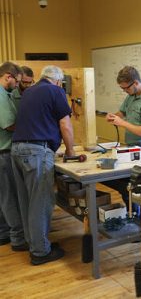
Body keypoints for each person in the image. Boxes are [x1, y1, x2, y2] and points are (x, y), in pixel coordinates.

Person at [11, 65, 75, 265]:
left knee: (27, 201)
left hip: (17, 149)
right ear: (57, 81)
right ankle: (40, 251)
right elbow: (65, 124)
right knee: (41, 202)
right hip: (36, 151)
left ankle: (35, 243)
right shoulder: (56, 91)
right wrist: (71, 152)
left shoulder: (28, 92)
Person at [104, 66, 141, 216]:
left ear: (135, 83)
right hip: (131, 147)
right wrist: (114, 116)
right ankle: (134, 218)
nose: (124, 91)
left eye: (125, 88)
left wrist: (122, 123)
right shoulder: (131, 96)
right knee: (127, 188)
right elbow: (122, 112)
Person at [0, 61, 27, 251]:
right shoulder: (1, 96)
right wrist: (32, 128)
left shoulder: (6, 94)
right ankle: (18, 239)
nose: (17, 86)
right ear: (7, 77)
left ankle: (4, 234)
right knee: (11, 196)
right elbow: (9, 124)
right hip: (4, 153)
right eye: (16, 82)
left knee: (3, 195)